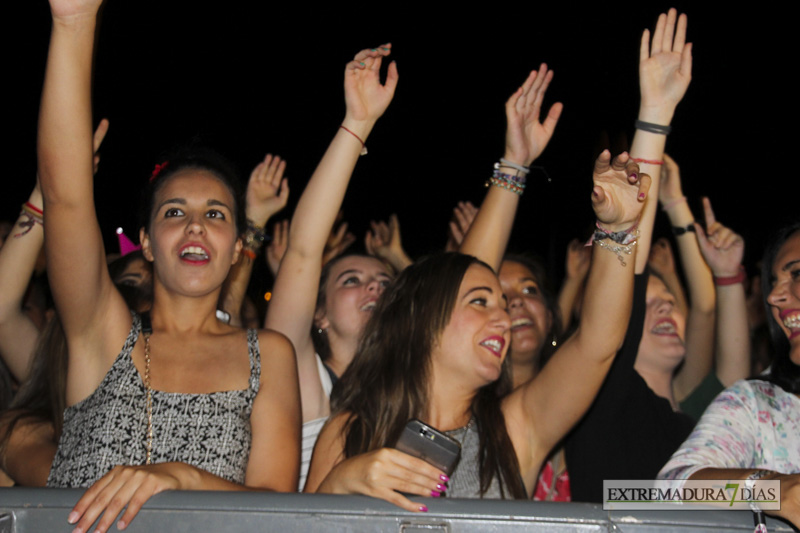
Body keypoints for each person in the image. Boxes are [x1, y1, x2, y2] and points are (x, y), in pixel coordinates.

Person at [37, 1, 300, 531]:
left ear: (235, 247)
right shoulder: (103, 336)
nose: (196, 226)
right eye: (175, 212)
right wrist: (73, 24)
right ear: (147, 244)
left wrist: (181, 477)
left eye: (216, 214)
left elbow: (276, 502)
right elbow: (66, 197)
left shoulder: (266, 355)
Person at [304, 147, 649, 511]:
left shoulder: (515, 429)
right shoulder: (349, 431)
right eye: (480, 301)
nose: (504, 318)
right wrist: (337, 485)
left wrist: (617, 229)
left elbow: (598, 342)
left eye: (501, 304)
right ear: (422, 320)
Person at [264, 44, 398, 489]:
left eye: (383, 281)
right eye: (352, 280)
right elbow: (303, 251)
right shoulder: (302, 376)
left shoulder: (411, 382)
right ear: (318, 314)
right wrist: (357, 125)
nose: (374, 289)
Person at [659, 220, 800, 528]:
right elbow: (668, 489)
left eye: (797, 274)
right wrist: (776, 490)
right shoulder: (757, 405)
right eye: (773, 281)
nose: (774, 296)